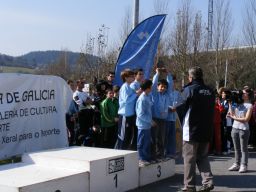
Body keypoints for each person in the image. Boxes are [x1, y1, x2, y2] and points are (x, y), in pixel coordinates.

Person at [177, 66, 215, 192]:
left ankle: (189, 186)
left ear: (191, 77)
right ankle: (208, 181)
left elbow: (180, 107)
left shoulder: (188, 89)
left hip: (192, 129)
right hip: (206, 129)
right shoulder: (210, 90)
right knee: (203, 156)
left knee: (189, 158)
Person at [227, 88, 253, 173]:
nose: (242, 94)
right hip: (235, 128)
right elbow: (232, 114)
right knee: (236, 148)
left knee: (243, 148)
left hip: (244, 129)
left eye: (244, 93)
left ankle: (244, 165)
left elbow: (246, 119)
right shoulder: (238, 103)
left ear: (248, 95)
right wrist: (230, 103)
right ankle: (237, 164)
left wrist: (233, 118)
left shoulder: (249, 105)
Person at [151, 67, 172, 161]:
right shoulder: (155, 94)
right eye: (161, 86)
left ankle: (160, 155)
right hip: (155, 119)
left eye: (164, 87)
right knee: (154, 138)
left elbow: (170, 85)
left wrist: (168, 74)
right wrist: (157, 73)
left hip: (163, 119)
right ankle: (153, 155)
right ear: (157, 87)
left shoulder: (167, 94)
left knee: (161, 138)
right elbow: (154, 83)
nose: (163, 88)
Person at [115, 69, 138, 150]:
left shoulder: (129, 87)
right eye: (131, 76)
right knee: (123, 136)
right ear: (125, 78)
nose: (133, 78)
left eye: (133, 76)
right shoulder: (124, 87)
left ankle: (125, 154)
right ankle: (120, 153)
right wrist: (136, 94)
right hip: (124, 115)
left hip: (130, 115)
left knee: (128, 136)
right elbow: (127, 100)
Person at [136, 80, 154, 167]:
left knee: (147, 142)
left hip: (147, 125)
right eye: (151, 86)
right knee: (141, 142)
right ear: (148, 88)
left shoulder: (147, 96)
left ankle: (146, 158)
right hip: (142, 125)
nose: (152, 87)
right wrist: (150, 121)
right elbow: (140, 114)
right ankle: (140, 159)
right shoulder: (142, 99)